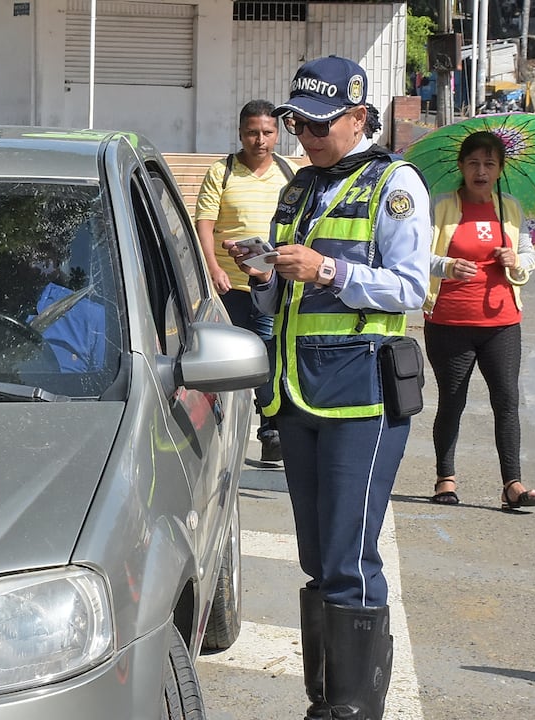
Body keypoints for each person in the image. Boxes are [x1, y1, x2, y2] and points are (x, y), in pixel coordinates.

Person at [227, 55, 430, 720]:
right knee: (317, 556)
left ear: (359, 117)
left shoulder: (395, 185)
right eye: (297, 123)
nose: (306, 135)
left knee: (347, 554)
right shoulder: (298, 188)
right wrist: (264, 272)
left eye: (320, 123)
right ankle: (327, 703)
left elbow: (410, 287)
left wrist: (330, 272)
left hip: (360, 395)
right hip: (295, 392)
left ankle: (352, 710)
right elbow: (284, 294)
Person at [424, 130, 535, 512]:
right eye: (473, 163)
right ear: (461, 167)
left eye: (489, 164)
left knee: (507, 399)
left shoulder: (510, 208)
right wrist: (446, 265)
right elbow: (415, 255)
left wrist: (517, 261)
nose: (481, 171)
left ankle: (512, 483)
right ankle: (446, 477)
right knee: (452, 400)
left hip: (502, 322)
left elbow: (529, 253)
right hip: (449, 322)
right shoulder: (440, 207)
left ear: (499, 169)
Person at [194, 99, 293, 462]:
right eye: (253, 132)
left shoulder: (289, 174)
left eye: (267, 132)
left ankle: (271, 432)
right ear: (240, 133)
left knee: (267, 359)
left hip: (269, 284)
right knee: (223, 363)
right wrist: (213, 269)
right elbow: (204, 221)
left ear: (277, 135)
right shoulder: (221, 172)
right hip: (228, 287)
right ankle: (218, 433)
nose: (260, 140)